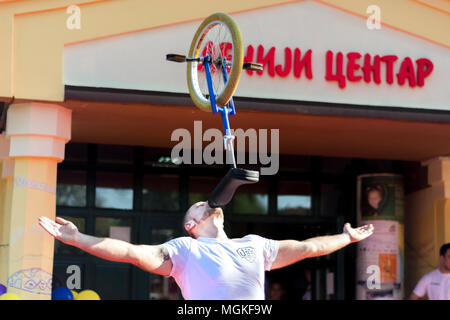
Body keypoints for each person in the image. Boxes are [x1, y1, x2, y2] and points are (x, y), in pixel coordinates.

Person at [39, 201, 374, 300]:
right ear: (191, 225)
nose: (207, 204)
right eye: (199, 206)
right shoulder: (186, 249)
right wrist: (78, 238)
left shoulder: (255, 245)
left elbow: (309, 247)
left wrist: (347, 238)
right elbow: (130, 252)